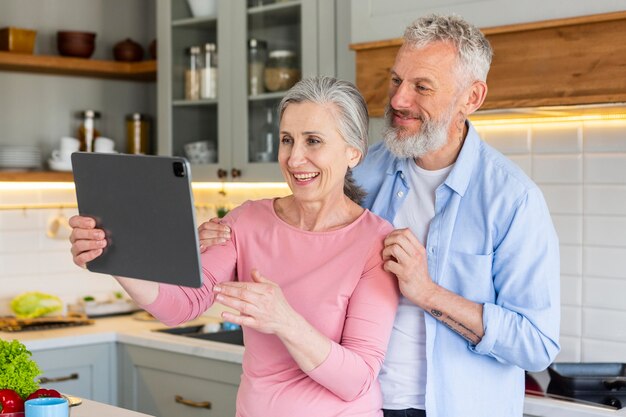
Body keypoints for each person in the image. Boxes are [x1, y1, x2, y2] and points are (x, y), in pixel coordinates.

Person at [200, 14, 561, 417]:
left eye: (421, 87)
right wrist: (228, 239)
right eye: (395, 81)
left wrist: (428, 293)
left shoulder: (513, 200)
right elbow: (299, 231)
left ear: (471, 98)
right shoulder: (363, 168)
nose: (398, 100)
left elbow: (536, 344)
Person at [69, 76, 400, 417]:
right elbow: (181, 307)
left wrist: (285, 321)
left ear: (354, 152)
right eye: (287, 140)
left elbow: (357, 380)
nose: (295, 158)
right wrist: (114, 255)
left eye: (313, 141)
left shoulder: (375, 243)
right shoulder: (247, 222)